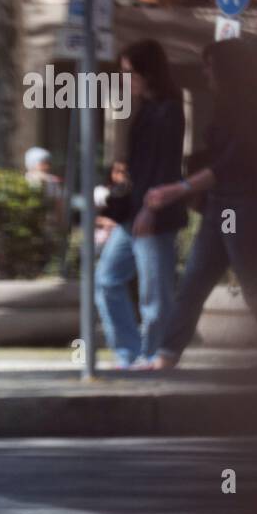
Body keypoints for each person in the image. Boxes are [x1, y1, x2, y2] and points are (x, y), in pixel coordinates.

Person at [138, 38, 257, 370]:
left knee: (254, 288)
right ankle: (166, 357)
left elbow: (230, 163)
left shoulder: (253, 112)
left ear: (228, 70)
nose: (205, 73)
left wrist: (180, 188)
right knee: (194, 282)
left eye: (210, 66)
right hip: (221, 208)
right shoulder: (225, 108)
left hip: (239, 209)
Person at [94, 40, 187, 369]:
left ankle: (152, 356)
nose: (126, 79)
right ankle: (130, 353)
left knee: (155, 294)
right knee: (106, 279)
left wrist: (150, 209)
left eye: (130, 72)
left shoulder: (169, 109)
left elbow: (163, 168)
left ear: (148, 72)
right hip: (133, 214)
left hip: (154, 215)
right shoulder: (145, 108)